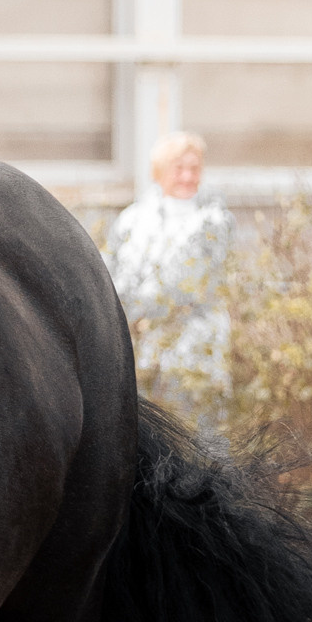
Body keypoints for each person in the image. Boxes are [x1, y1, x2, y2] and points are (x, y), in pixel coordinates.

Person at [104, 129, 233, 430]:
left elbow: (192, 287)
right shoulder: (132, 220)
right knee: (147, 433)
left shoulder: (214, 222)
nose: (188, 177)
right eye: (179, 168)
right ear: (159, 171)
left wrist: (139, 309)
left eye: (195, 168)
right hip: (143, 351)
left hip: (195, 351)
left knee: (197, 433)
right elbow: (111, 275)